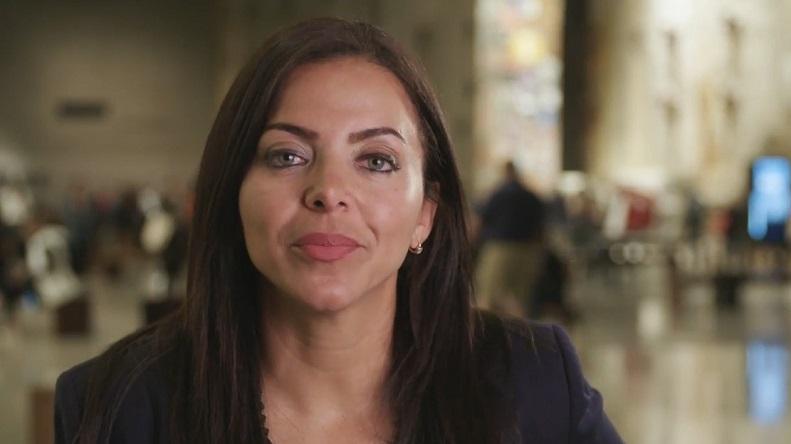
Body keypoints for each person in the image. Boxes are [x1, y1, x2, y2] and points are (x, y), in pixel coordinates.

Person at [54, 18, 622, 443]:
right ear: (232, 195)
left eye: (376, 160)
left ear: (425, 213)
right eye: (287, 156)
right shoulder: (116, 405)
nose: (329, 190)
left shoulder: (538, 382)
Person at [474, 161, 546, 317]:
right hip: (528, 250)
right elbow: (541, 228)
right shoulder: (532, 196)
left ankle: (485, 336)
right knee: (520, 298)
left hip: (501, 249)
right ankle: (521, 334)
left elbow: (479, 222)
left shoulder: (498, 194)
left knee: (489, 294)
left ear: (505, 173)